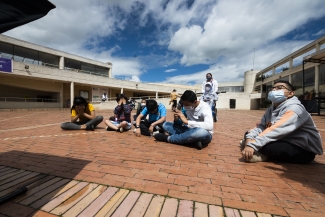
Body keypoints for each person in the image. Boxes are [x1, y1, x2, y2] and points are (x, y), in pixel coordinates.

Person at [241, 80, 323, 163]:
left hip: (302, 149)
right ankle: (255, 151)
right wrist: (249, 141)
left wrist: (252, 144)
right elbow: (263, 127)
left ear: (291, 93)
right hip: (283, 139)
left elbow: (276, 129)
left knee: (267, 145)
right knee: (248, 133)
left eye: (279, 88)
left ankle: (260, 153)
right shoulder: (271, 109)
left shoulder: (294, 109)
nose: (274, 90)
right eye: (272, 88)